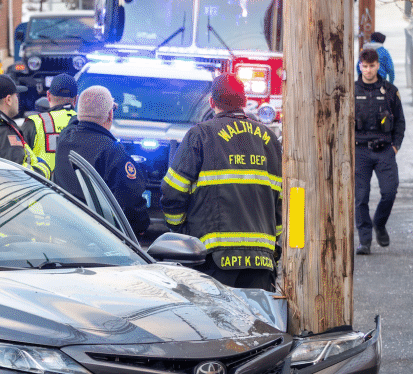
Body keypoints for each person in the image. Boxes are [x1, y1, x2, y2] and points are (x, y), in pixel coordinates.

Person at [160, 74, 283, 291]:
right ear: (244, 101)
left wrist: (180, 230)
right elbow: (280, 200)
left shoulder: (201, 135)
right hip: (262, 262)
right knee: (259, 323)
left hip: (214, 261)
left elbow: (173, 190)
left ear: (211, 102)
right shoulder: (270, 140)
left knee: (216, 323)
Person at [53, 85, 152, 239]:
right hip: (98, 239)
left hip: (63, 230)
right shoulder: (113, 152)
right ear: (110, 115)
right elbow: (130, 201)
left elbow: (74, 122)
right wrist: (140, 227)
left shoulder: (65, 138)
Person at [355, 47, 405, 255]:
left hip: (384, 149)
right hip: (360, 151)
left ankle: (380, 223)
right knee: (361, 197)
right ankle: (364, 241)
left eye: (372, 66)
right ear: (360, 66)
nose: (368, 70)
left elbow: (400, 121)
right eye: (364, 66)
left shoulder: (390, 91)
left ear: (378, 66)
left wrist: (395, 146)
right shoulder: (351, 91)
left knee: (389, 191)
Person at [20, 73, 78, 176]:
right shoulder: (85, 123)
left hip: (42, 189)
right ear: (76, 99)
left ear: (48, 96)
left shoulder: (34, 123)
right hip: (79, 190)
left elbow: (18, 160)